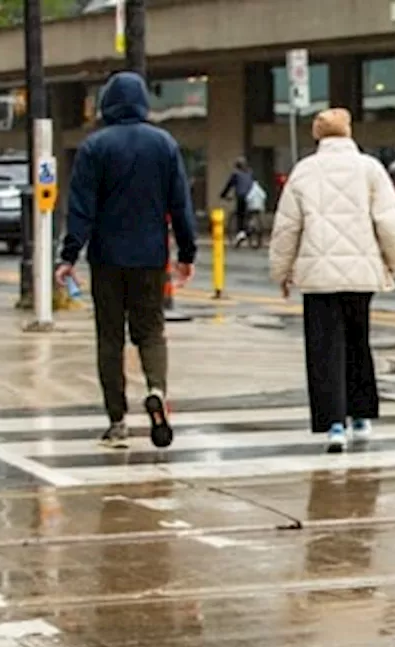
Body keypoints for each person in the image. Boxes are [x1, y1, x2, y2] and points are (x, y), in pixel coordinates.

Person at [56, 71, 196, 450]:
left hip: (106, 257)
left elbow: (81, 209)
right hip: (151, 256)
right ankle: (155, 388)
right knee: (151, 330)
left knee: (110, 337)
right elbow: (180, 204)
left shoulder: (94, 147)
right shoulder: (164, 144)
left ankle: (117, 421)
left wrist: (68, 256)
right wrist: (187, 253)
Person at [269, 108, 395, 453]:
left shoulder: (304, 171)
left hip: (317, 276)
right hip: (362, 273)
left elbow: (287, 228)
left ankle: (334, 423)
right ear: (349, 132)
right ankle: (361, 414)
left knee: (324, 347)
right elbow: (389, 221)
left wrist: (281, 272)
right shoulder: (370, 169)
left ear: (317, 136)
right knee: (358, 340)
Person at [220, 157, 255, 243]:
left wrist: (223, 195)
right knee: (249, 211)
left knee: (240, 214)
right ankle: (251, 223)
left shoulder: (235, 174)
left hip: (242, 196)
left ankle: (241, 232)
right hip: (253, 196)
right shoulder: (250, 172)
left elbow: (228, 186)